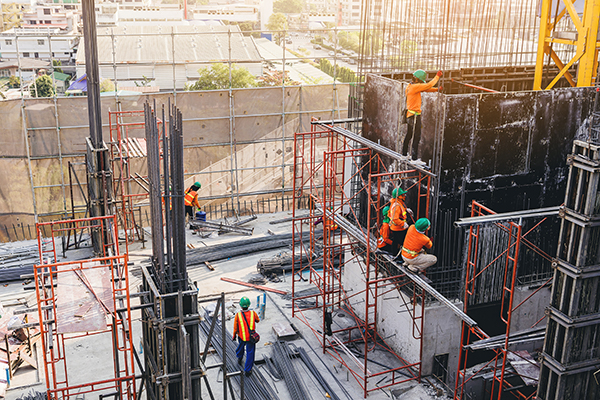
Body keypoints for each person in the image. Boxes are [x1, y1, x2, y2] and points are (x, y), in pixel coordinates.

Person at [402, 69, 443, 161]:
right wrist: (437, 76)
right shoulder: (415, 87)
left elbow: (426, 89)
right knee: (417, 136)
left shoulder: (410, 86)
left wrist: (437, 89)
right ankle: (414, 158)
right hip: (415, 116)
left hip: (409, 114)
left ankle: (404, 154)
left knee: (409, 135)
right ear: (418, 80)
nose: (421, 83)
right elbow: (428, 85)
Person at [232, 296, 260, 377]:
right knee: (250, 353)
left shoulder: (238, 315)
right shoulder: (253, 313)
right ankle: (248, 370)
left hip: (241, 337)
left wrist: (234, 336)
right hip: (251, 338)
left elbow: (235, 327)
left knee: (240, 347)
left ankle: (239, 358)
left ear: (240, 306)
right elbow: (257, 320)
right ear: (249, 305)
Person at [389, 188, 412, 254]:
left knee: (395, 241)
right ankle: (400, 255)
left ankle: (394, 253)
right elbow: (395, 219)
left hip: (396, 227)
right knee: (402, 242)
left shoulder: (397, 203)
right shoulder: (396, 206)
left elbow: (399, 211)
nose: (404, 196)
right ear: (398, 196)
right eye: (402, 195)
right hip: (398, 228)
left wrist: (405, 209)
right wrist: (403, 224)